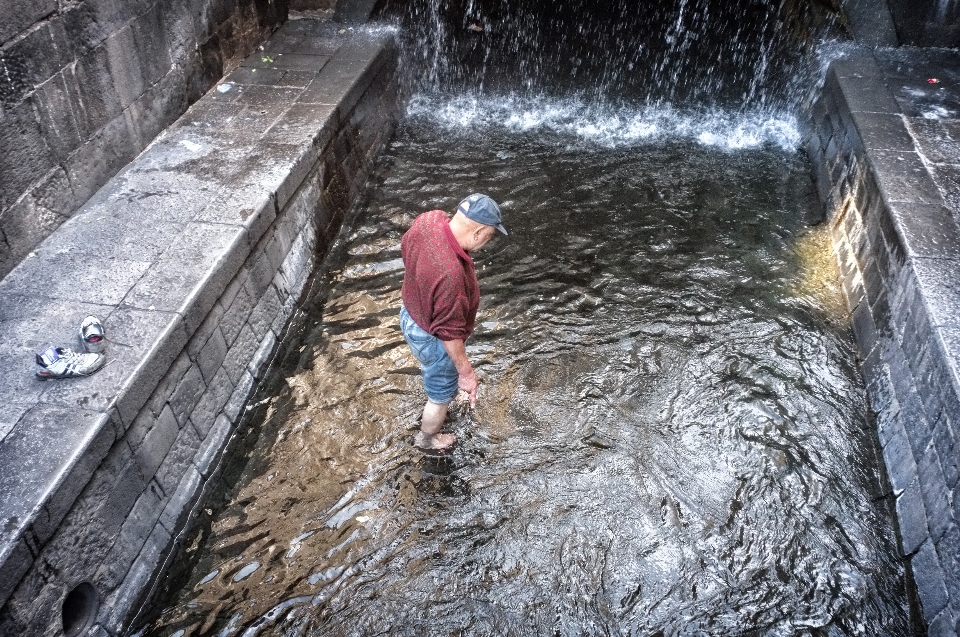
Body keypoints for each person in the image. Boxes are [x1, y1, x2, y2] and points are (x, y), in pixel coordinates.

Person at [399, 193, 507, 450]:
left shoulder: (429, 220)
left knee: (438, 376)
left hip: (410, 314)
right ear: (478, 232)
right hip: (432, 336)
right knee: (439, 397)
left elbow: (405, 245)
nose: (486, 243)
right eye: (489, 237)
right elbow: (448, 334)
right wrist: (466, 373)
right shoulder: (450, 276)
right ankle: (426, 440)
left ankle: (439, 388)